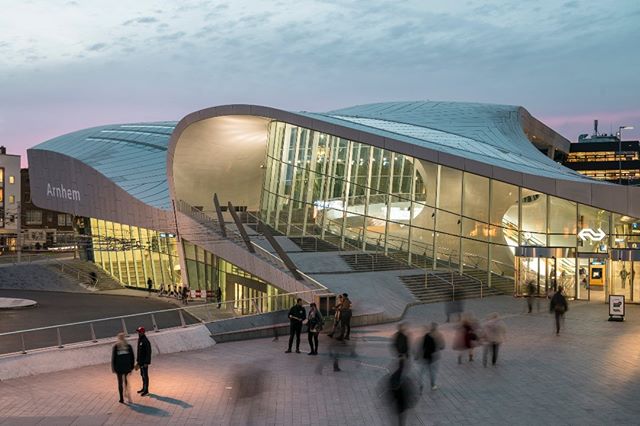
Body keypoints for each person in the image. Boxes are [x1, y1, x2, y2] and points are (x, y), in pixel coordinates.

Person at [418, 322, 444, 392]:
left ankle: (421, 384)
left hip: (425, 356)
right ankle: (433, 385)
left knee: (422, 371)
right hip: (434, 357)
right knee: (432, 372)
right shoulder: (438, 336)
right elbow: (442, 346)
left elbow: (423, 346)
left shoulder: (426, 335)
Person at [111, 332, 135, 404]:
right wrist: (131, 366)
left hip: (119, 368)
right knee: (126, 381)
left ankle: (121, 398)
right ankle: (128, 395)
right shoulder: (128, 346)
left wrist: (113, 367)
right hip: (127, 367)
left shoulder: (116, 347)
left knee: (120, 383)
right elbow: (132, 357)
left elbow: (113, 358)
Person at [136, 326, 152, 396]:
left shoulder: (145, 340)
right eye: (138, 332)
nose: (138, 333)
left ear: (142, 332)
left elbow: (148, 352)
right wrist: (138, 361)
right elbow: (139, 351)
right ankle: (143, 388)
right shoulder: (140, 339)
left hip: (144, 362)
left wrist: (147, 362)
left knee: (145, 375)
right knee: (142, 375)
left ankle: (146, 390)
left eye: (139, 332)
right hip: (141, 362)